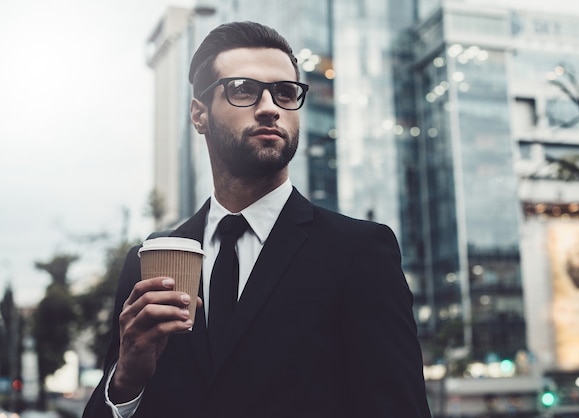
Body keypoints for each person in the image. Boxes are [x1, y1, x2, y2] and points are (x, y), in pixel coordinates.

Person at [83, 21, 431, 418]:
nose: (270, 108)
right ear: (199, 115)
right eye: (243, 90)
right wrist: (127, 377)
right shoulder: (151, 262)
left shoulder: (360, 251)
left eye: (285, 93)